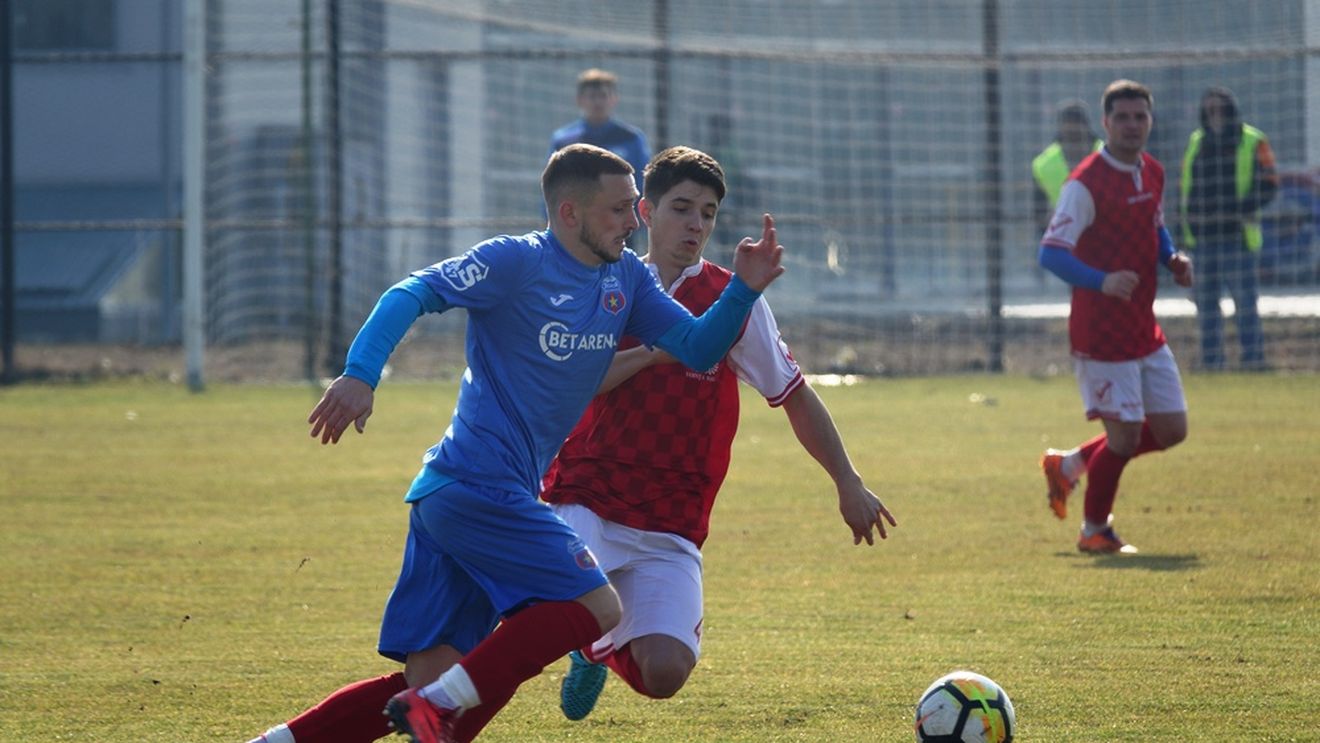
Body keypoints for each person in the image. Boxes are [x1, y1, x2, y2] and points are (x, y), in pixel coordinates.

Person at [248, 143, 785, 743]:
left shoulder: (625, 277)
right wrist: (360, 373)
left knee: (425, 685)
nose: (634, 221)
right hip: (479, 489)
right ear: (569, 213)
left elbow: (698, 347)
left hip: (453, 499)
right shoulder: (516, 262)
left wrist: (743, 290)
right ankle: (438, 708)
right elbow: (411, 292)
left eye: (633, 208)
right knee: (598, 609)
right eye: (617, 210)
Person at [539, 146, 897, 722]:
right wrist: (654, 355)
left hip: (673, 517)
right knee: (552, 611)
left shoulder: (734, 299)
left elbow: (793, 393)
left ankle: (595, 650)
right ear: (645, 213)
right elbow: (572, 384)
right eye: (682, 208)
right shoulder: (603, 282)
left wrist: (847, 481)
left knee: (665, 673)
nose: (696, 224)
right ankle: (466, 690)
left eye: (707, 213)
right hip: (588, 495)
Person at [1035, 80, 1194, 555]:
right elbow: (1051, 253)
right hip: (1101, 335)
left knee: (1171, 430)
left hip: (1143, 328)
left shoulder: (1153, 172)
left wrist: (1171, 259)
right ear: (1105, 124)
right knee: (1122, 438)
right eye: (1121, 118)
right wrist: (1102, 280)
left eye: (1139, 117)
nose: (1131, 126)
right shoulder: (1084, 184)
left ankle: (1070, 465)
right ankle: (1094, 530)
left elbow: (1155, 226)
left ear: (1150, 121)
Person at [1179, 86, 1279, 370]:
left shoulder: (1253, 140)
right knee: (1206, 306)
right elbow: (1186, 187)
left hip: (1237, 237)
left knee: (1245, 303)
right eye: (1210, 109)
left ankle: (1253, 360)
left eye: (1221, 109)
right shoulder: (1197, 141)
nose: (1216, 115)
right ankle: (1212, 361)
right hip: (1203, 239)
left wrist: (1241, 210)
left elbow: (1271, 183)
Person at [549, 68, 652, 200]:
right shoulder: (564, 140)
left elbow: (643, 181)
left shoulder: (631, 137)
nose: (598, 102)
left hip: (621, 214)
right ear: (579, 100)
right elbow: (553, 185)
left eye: (603, 96)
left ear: (614, 99)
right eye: (592, 96)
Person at [1032, 99, 1103, 235]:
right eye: (1069, 122)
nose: (1072, 128)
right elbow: (1039, 211)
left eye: (1077, 122)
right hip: (1062, 235)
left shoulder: (1106, 155)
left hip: (1103, 232)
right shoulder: (1043, 163)